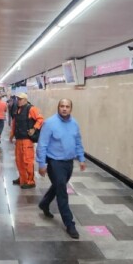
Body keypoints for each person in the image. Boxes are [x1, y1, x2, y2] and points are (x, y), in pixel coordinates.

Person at [36, 99, 86, 239]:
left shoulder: (74, 123)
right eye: (62, 106)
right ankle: (69, 224)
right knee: (62, 192)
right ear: (58, 107)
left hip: (68, 162)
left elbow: (78, 142)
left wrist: (81, 158)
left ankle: (44, 203)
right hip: (54, 162)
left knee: (59, 186)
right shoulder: (50, 123)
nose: (64, 109)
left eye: (67, 106)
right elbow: (42, 145)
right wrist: (41, 164)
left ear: (71, 108)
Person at [10, 93, 43, 189]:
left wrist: (34, 128)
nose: (18, 101)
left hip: (27, 140)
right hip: (19, 139)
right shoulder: (18, 109)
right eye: (18, 99)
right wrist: (11, 135)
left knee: (27, 161)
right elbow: (14, 123)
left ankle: (30, 181)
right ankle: (22, 178)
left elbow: (40, 119)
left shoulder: (31, 109)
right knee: (19, 160)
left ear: (25, 100)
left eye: (20, 99)